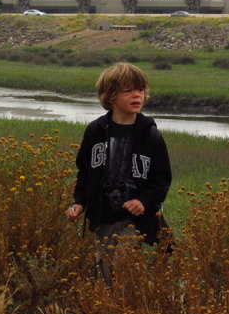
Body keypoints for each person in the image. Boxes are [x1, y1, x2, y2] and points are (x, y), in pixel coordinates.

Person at [67, 62, 172, 282]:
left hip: (135, 220)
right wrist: (79, 203)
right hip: (102, 219)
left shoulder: (151, 135)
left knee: (124, 268)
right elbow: (84, 173)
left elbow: (161, 179)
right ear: (110, 96)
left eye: (141, 90)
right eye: (128, 90)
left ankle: (128, 313)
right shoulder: (95, 131)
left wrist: (143, 200)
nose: (137, 96)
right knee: (104, 275)